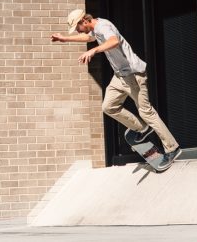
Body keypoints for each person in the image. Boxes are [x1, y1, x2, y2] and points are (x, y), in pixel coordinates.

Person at [51, 9, 181, 169]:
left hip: (134, 75)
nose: (78, 31)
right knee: (108, 107)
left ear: (83, 21)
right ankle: (142, 129)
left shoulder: (104, 26)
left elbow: (114, 41)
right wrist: (65, 39)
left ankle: (172, 148)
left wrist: (94, 50)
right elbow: (88, 37)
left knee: (146, 111)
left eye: (77, 28)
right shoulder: (95, 28)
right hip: (120, 76)